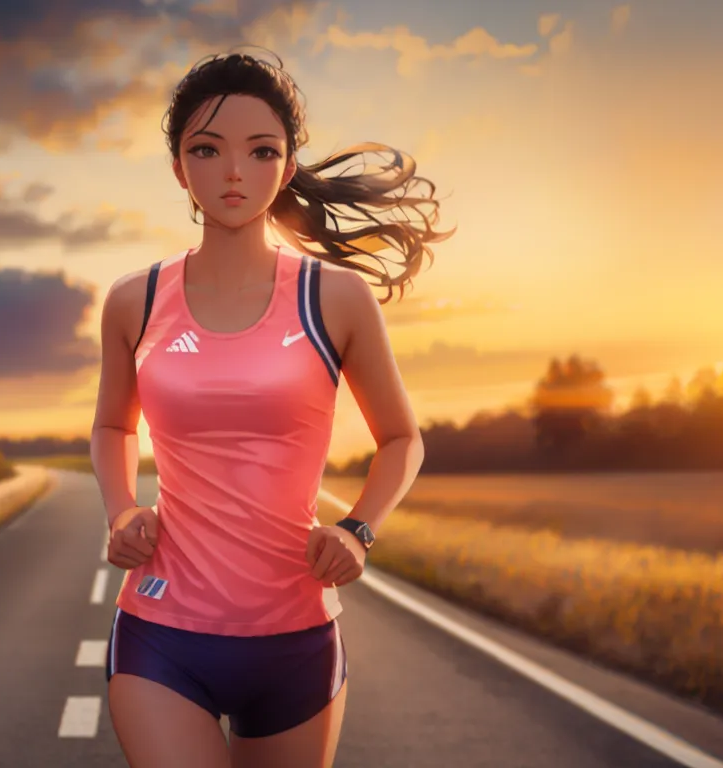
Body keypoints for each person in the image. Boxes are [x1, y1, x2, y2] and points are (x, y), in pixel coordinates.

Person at [90, 48, 452, 768]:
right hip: (161, 629)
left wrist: (358, 529)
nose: (233, 171)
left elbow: (401, 439)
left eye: (261, 152)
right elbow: (110, 424)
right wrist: (122, 509)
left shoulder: (334, 298)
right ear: (178, 169)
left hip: (296, 638)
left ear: (286, 170)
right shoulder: (136, 300)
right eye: (207, 149)